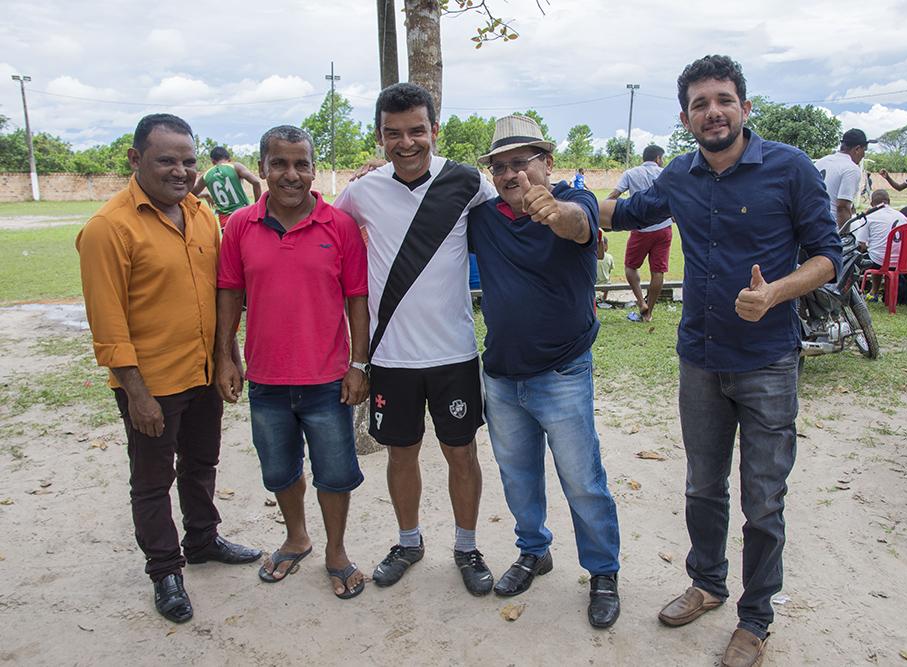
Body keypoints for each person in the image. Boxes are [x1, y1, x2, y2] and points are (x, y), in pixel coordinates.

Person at [600, 55, 840, 667]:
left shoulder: (790, 169)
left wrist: (775, 293)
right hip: (700, 360)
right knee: (703, 486)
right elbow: (623, 214)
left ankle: (755, 619)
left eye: (724, 99)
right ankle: (707, 582)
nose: (714, 111)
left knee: (763, 497)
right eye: (701, 103)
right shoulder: (679, 175)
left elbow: (826, 257)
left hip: (767, 361)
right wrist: (547, 195)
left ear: (744, 108)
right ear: (686, 118)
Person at [76, 114, 261, 624]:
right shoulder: (107, 229)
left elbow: (223, 293)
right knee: (152, 480)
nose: (180, 172)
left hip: (202, 373)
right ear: (135, 160)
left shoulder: (201, 214)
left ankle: (202, 540)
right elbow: (108, 324)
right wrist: (135, 392)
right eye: (166, 161)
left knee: (202, 463)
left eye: (187, 161)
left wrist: (230, 353)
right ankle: (165, 570)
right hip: (150, 384)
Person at [335, 83, 497, 596]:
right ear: (380, 136)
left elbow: (515, 221)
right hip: (391, 357)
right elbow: (327, 237)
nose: (406, 143)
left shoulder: (469, 182)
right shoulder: (361, 192)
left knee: (461, 452)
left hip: (453, 353)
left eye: (416, 131)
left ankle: (467, 547)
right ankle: (408, 541)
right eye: (393, 133)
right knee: (400, 454)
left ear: (434, 130)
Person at [469, 114, 621, 628]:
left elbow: (577, 226)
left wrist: (553, 210)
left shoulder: (575, 204)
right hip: (503, 377)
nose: (511, 175)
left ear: (548, 163)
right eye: (501, 167)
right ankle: (534, 550)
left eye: (522, 163)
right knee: (518, 478)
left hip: (562, 374)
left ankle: (602, 572)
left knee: (583, 480)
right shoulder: (486, 219)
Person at [213, 125, 370, 598]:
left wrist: (359, 364)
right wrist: (226, 356)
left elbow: (357, 298)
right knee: (280, 471)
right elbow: (229, 292)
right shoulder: (239, 225)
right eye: (279, 163)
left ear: (313, 169)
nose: (290, 173)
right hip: (266, 380)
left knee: (335, 472)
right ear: (261, 168)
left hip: (328, 380)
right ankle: (297, 536)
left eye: (301, 163)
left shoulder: (338, 226)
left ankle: (336, 551)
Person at [607, 144, 673, 322]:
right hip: (664, 228)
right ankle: (648, 313)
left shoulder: (631, 173)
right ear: (658, 158)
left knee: (630, 267)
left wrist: (598, 209)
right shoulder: (665, 173)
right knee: (658, 271)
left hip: (640, 229)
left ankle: (640, 301)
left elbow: (615, 194)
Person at [814, 129, 876, 227]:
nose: (864, 155)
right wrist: (844, 236)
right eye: (864, 150)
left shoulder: (821, 162)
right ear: (857, 149)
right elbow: (842, 207)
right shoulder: (851, 169)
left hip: (807, 224)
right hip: (828, 229)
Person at [855, 189, 907, 302]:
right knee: (877, 252)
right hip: (900, 262)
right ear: (889, 201)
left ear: (871, 203)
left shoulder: (869, 217)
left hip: (878, 261)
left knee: (858, 258)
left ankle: (857, 293)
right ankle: (874, 291)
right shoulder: (902, 217)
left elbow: (861, 245)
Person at [192, 146, 262, 230]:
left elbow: (191, 193)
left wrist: (205, 195)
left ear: (212, 161)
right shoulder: (234, 167)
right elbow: (256, 182)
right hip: (242, 216)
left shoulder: (206, 175)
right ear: (229, 159)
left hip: (225, 222)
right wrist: (256, 207)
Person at [596, 230, 614, 305]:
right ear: (605, 245)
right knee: (609, 280)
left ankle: (595, 297)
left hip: (594, 283)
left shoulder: (592, 257)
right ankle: (604, 298)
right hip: (605, 284)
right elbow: (609, 271)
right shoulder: (609, 257)